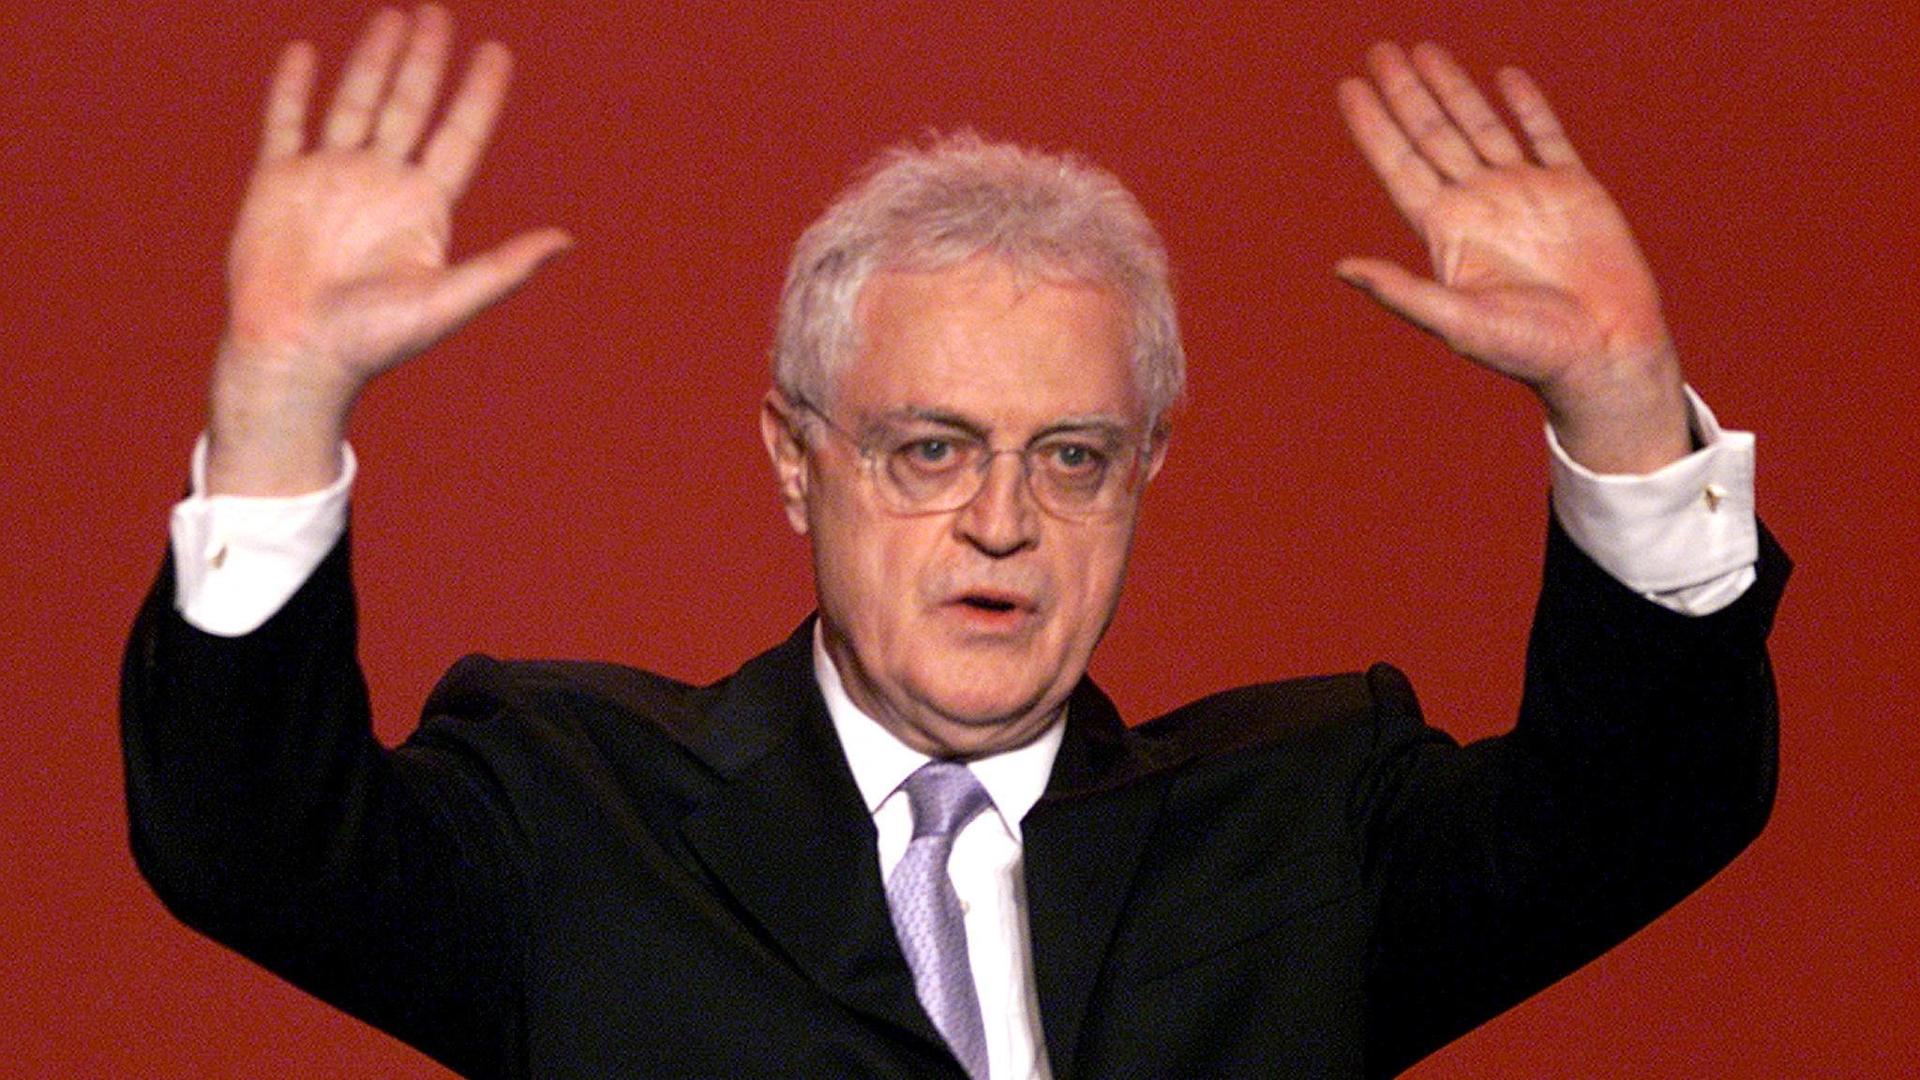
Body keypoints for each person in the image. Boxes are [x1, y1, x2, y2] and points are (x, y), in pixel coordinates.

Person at [122, 5, 1786, 1078]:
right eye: (930, 449)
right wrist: (279, 405)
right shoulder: (574, 816)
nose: (1002, 520)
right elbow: (246, 846)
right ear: (796, 463)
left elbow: (1648, 809)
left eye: (1072, 458)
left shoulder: (1306, 831)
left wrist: (1622, 397)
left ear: (1144, 472)